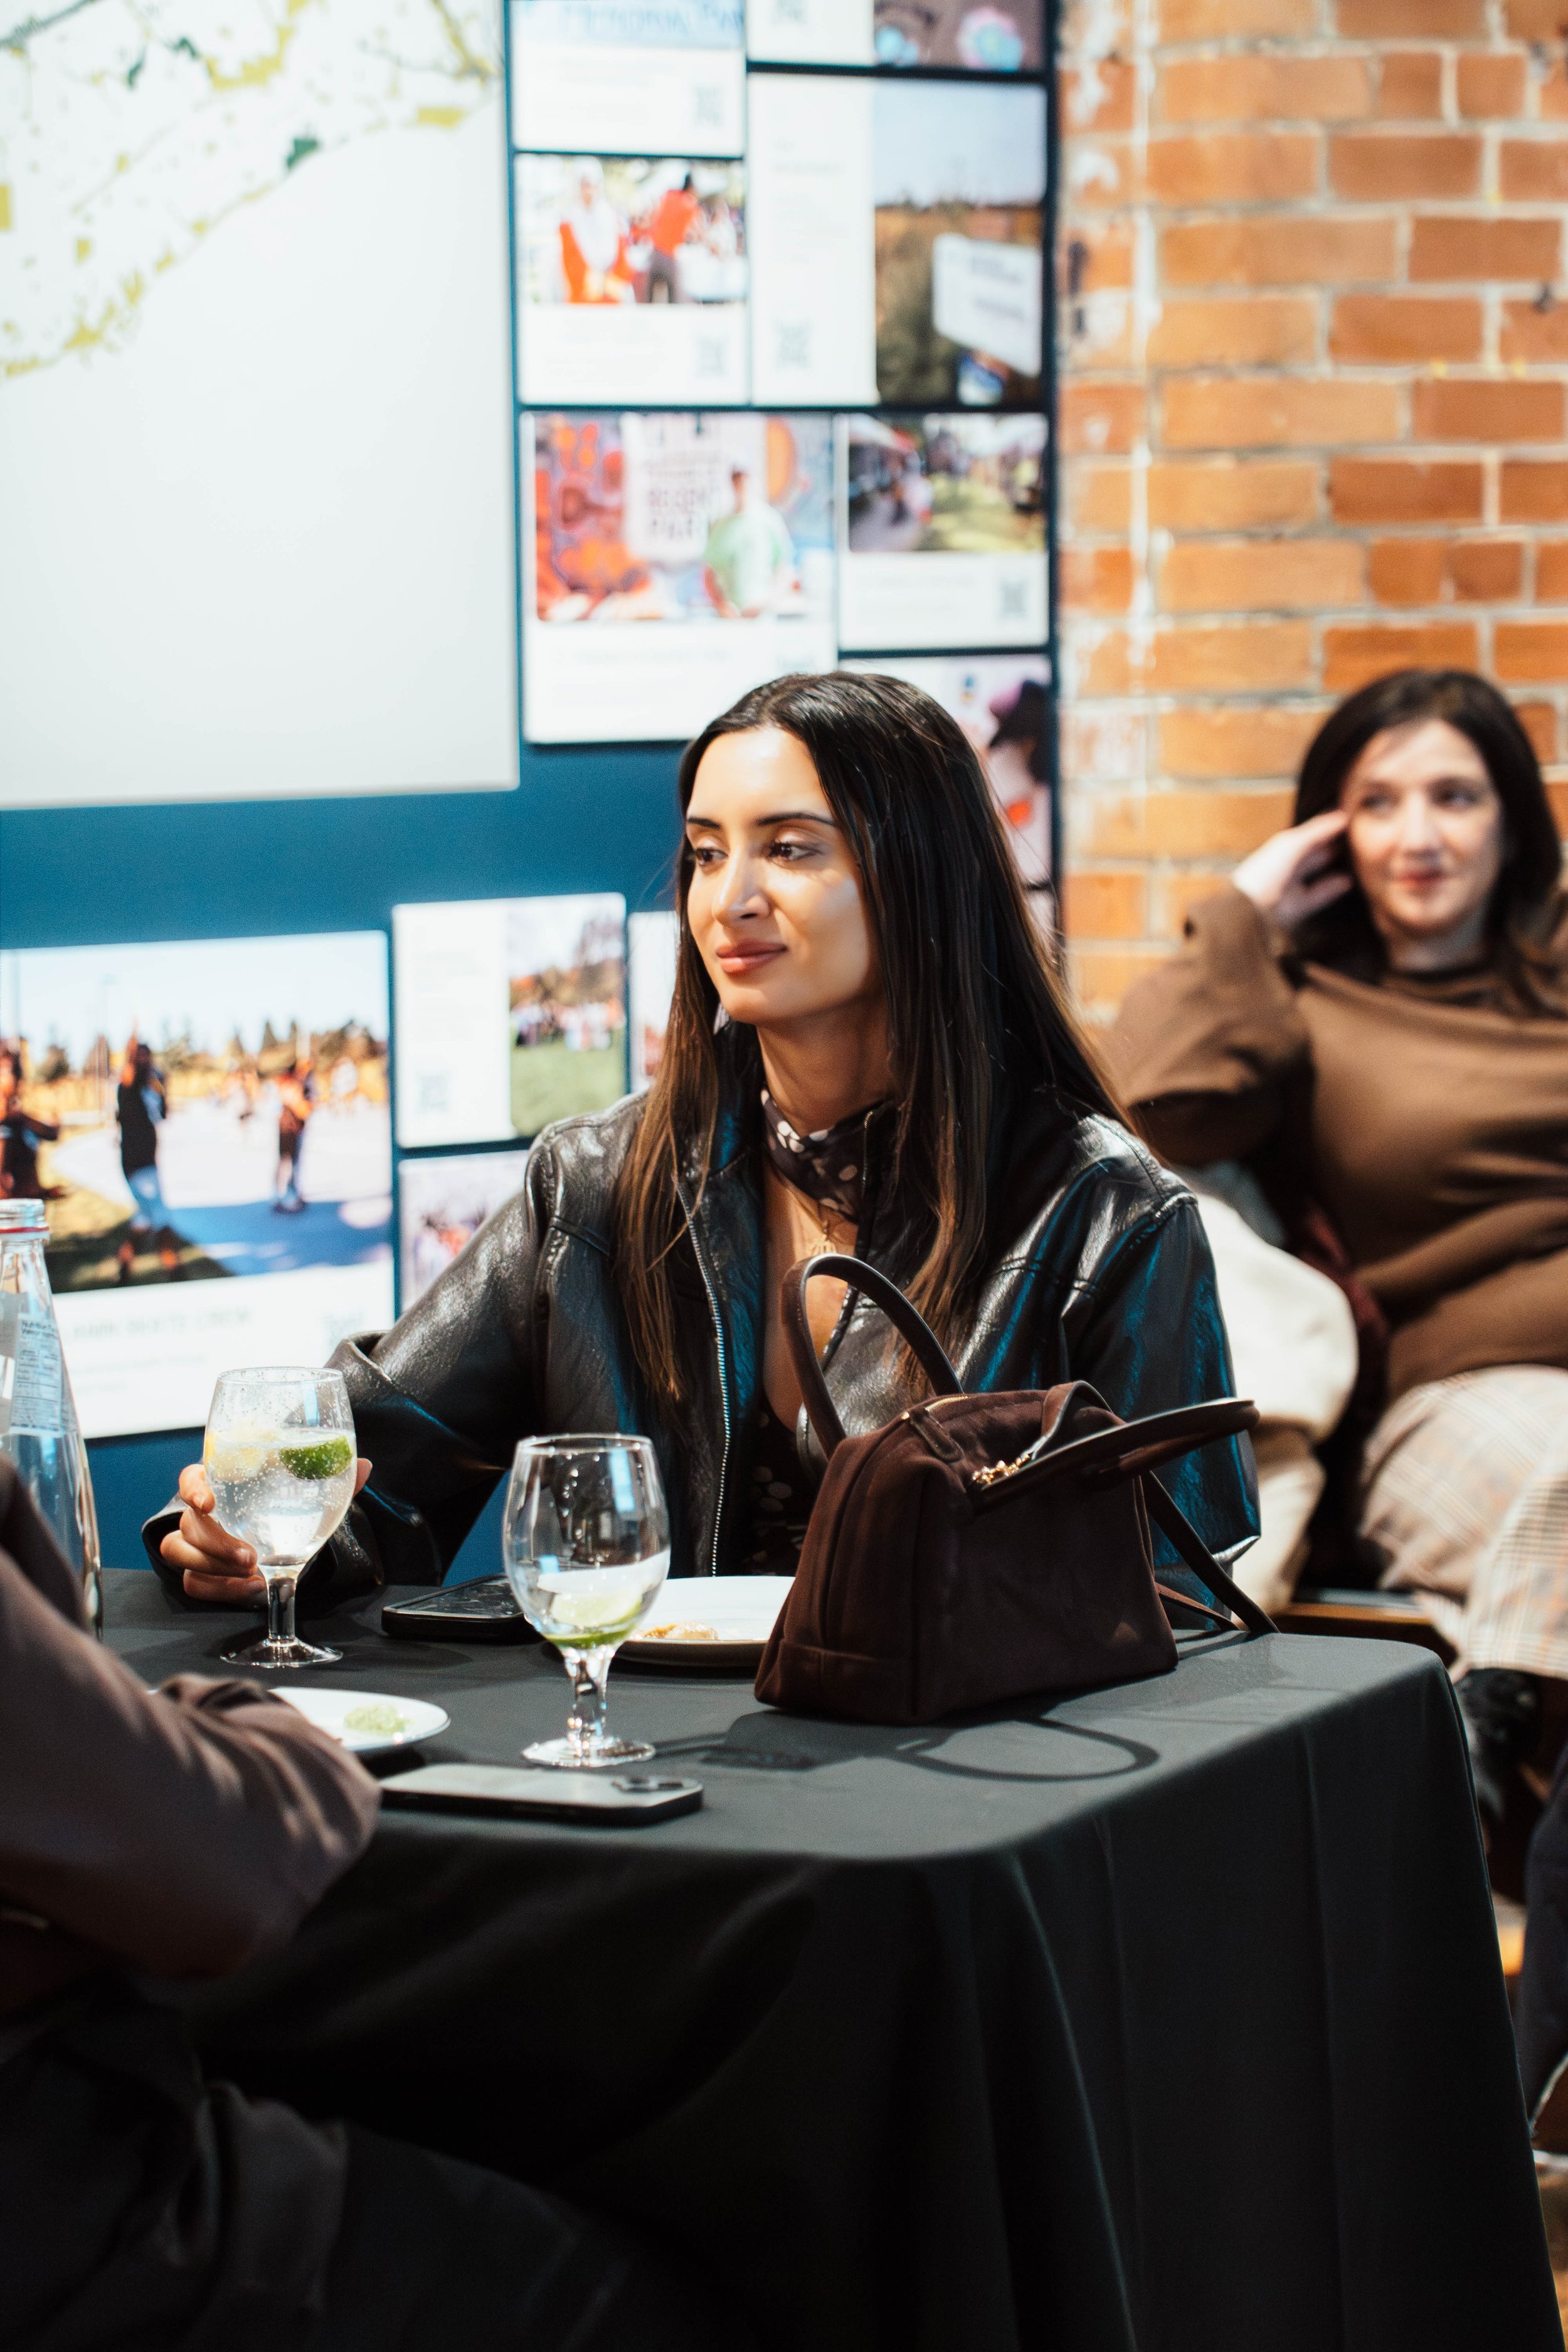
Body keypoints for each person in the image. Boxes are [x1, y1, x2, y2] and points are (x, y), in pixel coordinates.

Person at [151, 670, 1257, 1610]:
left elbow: (1176, 1610)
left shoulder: (1108, 1216)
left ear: (925, 876)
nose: (730, 899)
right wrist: (237, 1537)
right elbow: (379, 1468)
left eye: (789, 849)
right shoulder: (591, 1184)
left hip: (962, 1804)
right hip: (639, 1770)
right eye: (705, 851)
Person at [0, 1458, 746, 2351]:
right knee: (651, 2303)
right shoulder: (563, 1307)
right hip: (53, 2201)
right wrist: (247, 1713)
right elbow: (221, 1861)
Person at [1109, 667, 1568, 1831]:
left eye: (1455, 798)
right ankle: (1482, 1744)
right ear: (1333, 830)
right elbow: (1144, 1109)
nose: (1419, 835)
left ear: (1511, 818)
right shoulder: (1305, 1010)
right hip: (1451, 1410)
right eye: (1380, 802)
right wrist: (1242, 914)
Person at [116, 1036, 179, 1279]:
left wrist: (163, 1088)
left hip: (149, 1161)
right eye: (139, 1055)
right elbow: (130, 1068)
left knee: (143, 1221)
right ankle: (175, 1273)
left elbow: (163, 1114)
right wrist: (133, 1034)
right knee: (163, 1220)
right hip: (136, 1162)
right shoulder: (127, 1085)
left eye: (147, 1055)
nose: (145, 1060)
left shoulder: (150, 1087)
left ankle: (123, 1271)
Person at [702, 467, 794, 620]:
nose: (742, 488)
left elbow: (785, 569)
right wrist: (721, 604)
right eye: (738, 483)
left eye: (746, 483)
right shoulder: (722, 525)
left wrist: (767, 602)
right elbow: (709, 572)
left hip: (761, 615)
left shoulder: (769, 520)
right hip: (728, 618)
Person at [556, 159, 635, 305]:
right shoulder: (568, 222)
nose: (590, 190)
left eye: (594, 185)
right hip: (583, 302)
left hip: (613, 302)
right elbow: (571, 266)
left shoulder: (613, 218)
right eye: (586, 185)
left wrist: (611, 285)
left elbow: (624, 261)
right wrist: (597, 285)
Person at [0, 1047, 58, 1200]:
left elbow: (52, 1134)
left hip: (25, 1209)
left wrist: (42, 1193)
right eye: (6, 1072)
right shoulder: (6, 1124)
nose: (14, 1079)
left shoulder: (19, 1120)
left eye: (15, 1072)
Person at [644, 170, 699, 304]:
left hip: (655, 254)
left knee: (649, 300)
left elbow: (654, 216)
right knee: (675, 301)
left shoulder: (669, 196)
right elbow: (692, 232)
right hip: (670, 256)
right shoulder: (690, 205)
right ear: (691, 188)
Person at [274, 1053, 314, 1214]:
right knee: (288, 1163)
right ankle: (285, 1195)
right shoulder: (290, 1086)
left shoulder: (301, 1085)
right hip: (289, 1130)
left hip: (293, 1129)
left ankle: (288, 1193)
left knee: (290, 1163)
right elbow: (303, 1109)